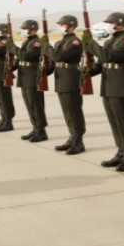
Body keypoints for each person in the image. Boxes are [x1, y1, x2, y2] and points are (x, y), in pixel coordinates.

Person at [83, 12, 124, 171]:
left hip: (122, 85)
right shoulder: (110, 41)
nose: (107, 25)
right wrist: (88, 71)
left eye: (110, 22)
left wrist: (91, 44)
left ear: (119, 23)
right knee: (115, 121)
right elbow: (102, 64)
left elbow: (108, 56)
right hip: (109, 85)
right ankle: (120, 151)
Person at [41, 15, 87, 154]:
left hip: (71, 79)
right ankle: (72, 137)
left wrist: (45, 47)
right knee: (67, 111)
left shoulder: (75, 42)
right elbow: (54, 61)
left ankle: (79, 141)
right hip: (61, 79)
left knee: (74, 111)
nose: (60, 26)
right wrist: (43, 72)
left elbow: (58, 57)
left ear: (71, 26)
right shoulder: (60, 42)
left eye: (63, 24)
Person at [8, 20, 48, 142]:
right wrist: (9, 69)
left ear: (33, 29)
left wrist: (12, 47)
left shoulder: (36, 42)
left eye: (25, 28)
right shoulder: (27, 41)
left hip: (32, 77)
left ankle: (41, 131)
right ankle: (35, 128)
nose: (23, 31)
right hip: (24, 77)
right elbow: (19, 59)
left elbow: (25, 56)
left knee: (36, 105)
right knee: (29, 104)